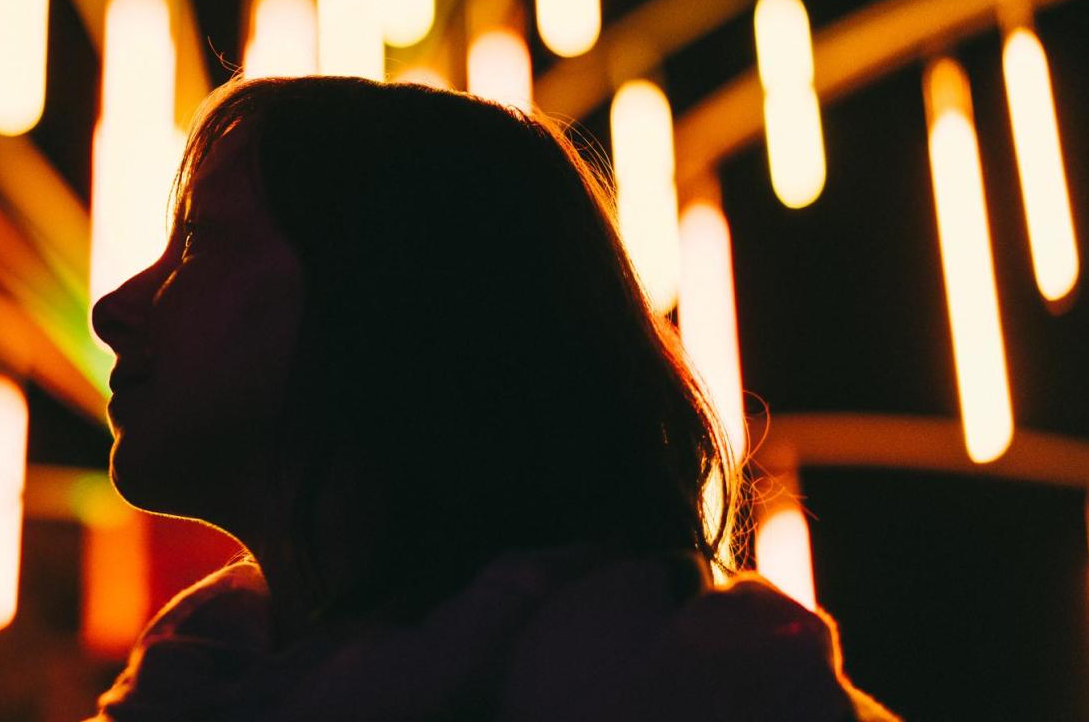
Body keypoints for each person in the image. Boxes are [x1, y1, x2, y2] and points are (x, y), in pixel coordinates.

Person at [87, 76, 896, 721]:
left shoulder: (703, 688)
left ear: (395, 300)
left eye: (200, 243)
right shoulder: (192, 682)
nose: (113, 308)